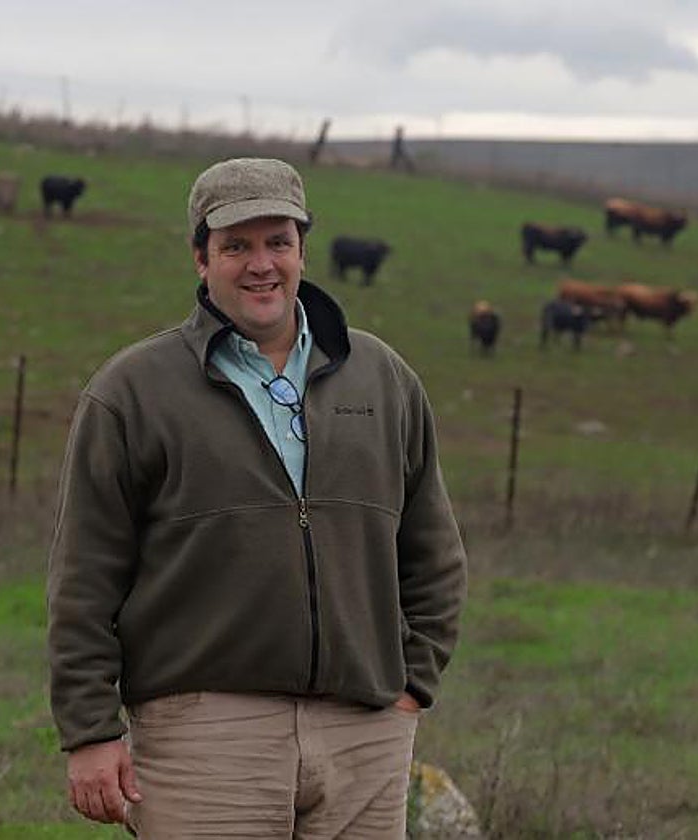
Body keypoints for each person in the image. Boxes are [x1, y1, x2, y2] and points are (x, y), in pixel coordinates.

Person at [47, 157, 468, 838]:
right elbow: (83, 578)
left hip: (363, 731)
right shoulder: (132, 391)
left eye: (278, 242)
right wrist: (89, 731)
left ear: (304, 248)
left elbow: (434, 551)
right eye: (236, 245)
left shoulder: (384, 379)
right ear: (200, 258)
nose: (260, 264)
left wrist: (413, 683)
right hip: (203, 733)